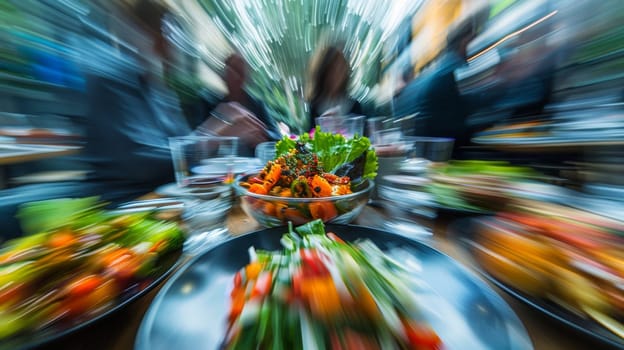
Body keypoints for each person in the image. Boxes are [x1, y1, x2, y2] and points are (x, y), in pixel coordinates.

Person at [398, 13, 483, 158]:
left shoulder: (438, 70)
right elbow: (475, 108)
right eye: (474, 39)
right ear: (465, 41)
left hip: (428, 152)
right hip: (449, 154)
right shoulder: (458, 70)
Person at [196, 53, 277, 155]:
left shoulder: (258, 105)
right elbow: (197, 142)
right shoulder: (210, 105)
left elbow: (276, 136)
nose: (235, 76)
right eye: (231, 70)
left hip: (252, 165)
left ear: (245, 77)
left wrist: (261, 136)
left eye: (239, 72)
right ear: (224, 76)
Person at [307, 46, 362, 128]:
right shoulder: (313, 107)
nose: (336, 74)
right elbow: (307, 138)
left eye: (340, 68)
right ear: (323, 72)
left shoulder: (355, 106)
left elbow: (364, 137)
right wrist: (322, 125)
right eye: (332, 68)